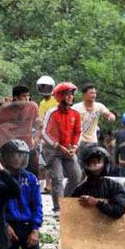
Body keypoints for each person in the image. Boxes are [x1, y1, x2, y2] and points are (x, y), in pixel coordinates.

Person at [42, 82, 81, 213]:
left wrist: (74, 146)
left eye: (72, 94)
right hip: (52, 150)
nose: (70, 97)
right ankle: (58, 208)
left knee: (76, 175)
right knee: (57, 178)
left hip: (68, 149)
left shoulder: (75, 113)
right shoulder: (52, 113)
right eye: (67, 94)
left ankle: (66, 201)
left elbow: (77, 132)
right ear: (60, 96)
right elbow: (44, 132)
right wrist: (57, 146)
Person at [71, 145, 125, 218]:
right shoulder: (80, 190)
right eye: (92, 162)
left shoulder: (113, 186)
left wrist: (97, 203)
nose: (96, 166)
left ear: (105, 164)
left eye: (98, 162)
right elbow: (72, 212)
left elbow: (120, 210)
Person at [73, 83, 115, 148]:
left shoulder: (99, 106)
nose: (94, 95)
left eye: (95, 93)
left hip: (93, 141)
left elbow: (109, 114)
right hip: (79, 141)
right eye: (91, 93)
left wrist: (111, 117)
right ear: (84, 94)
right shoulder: (76, 108)